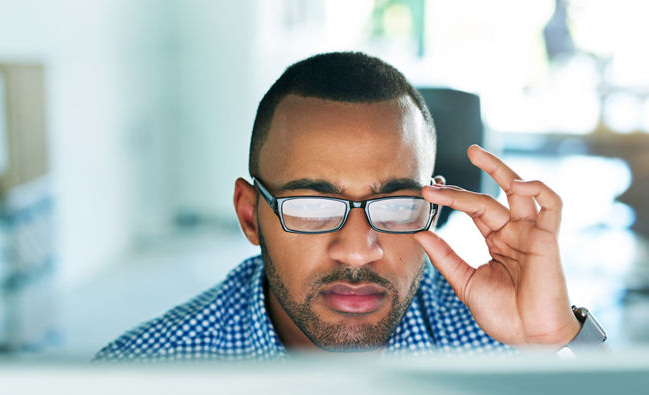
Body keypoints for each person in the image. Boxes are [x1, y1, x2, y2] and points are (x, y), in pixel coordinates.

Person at [95, 51, 605, 362]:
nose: (359, 252)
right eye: (312, 207)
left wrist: (554, 338)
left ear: (434, 204)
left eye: (396, 204)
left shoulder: (506, 342)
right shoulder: (144, 375)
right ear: (251, 215)